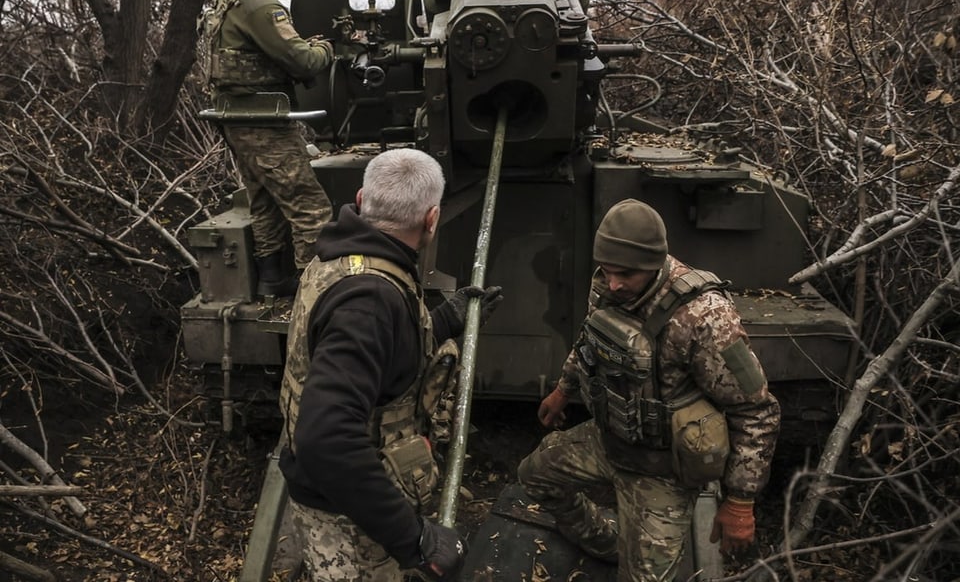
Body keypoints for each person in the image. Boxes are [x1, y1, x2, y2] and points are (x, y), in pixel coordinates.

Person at [518, 199, 780, 581]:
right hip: (609, 441)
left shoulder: (704, 317)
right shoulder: (609, 283)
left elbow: (757, 411)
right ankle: (603, 542)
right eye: (607, 271)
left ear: (654, 263)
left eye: (624, 274)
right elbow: (591, 341)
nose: (613, 283)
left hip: (664, 470)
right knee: (535, 475)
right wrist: (564, 389)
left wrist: (740, 501)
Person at [278, 148, 503, 581]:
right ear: (432, 219)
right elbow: (327, 439)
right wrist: (415, 539)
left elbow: (378, 358)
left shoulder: (346, 259)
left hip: (343, 499)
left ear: (362, 200)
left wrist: (443, 322)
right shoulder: (370, 300)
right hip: (347, 518)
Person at [203, 0, 335, 296]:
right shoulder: (262, 6)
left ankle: (273, 282)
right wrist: (326, 49)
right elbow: (304, 61)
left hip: (238, 120)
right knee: (311, 210)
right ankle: (315, 296)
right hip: (265, 125)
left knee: (265, 205)